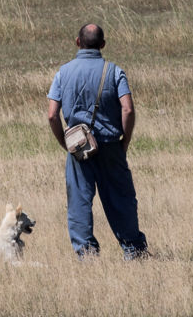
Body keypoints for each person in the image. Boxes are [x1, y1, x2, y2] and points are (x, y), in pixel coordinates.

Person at [47, 23, 149, 259]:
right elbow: (128, 109)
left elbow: (52, 115)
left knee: (79, 202)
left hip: (78, 148)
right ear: (103, 44)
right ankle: (133, 250)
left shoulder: (63, 73)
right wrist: (124, 142)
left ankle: (87, 254)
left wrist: (65, 143)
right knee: (121, 198)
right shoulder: (114, 72)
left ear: (77, 42)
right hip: (110, 145)